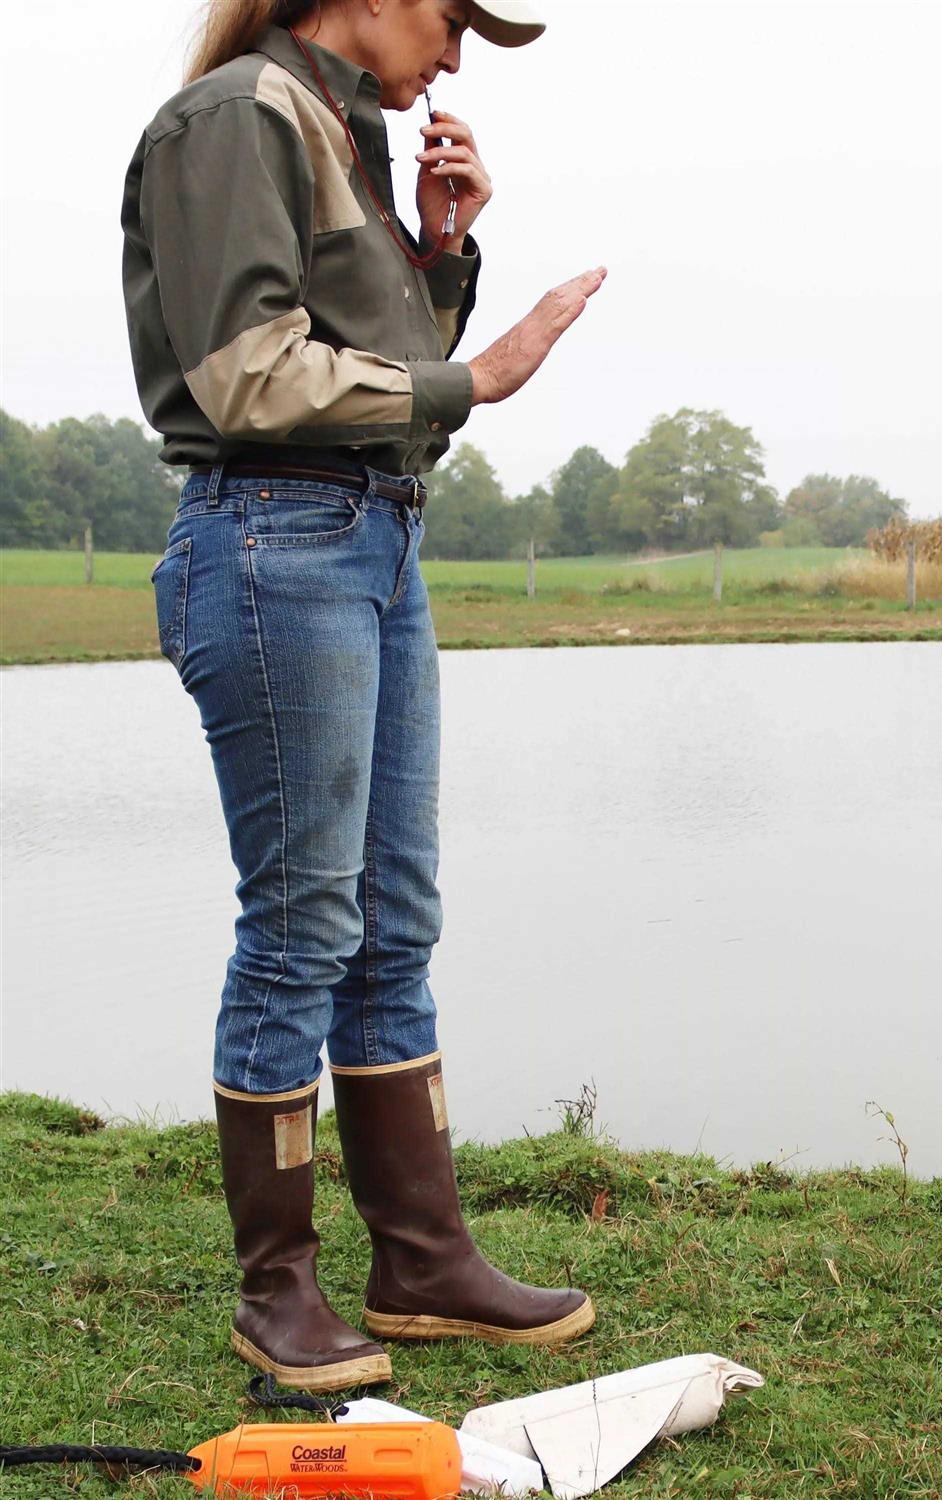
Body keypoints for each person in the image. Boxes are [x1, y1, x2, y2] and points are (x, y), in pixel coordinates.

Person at [121, 0, 606, 1390]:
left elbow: (376, 376)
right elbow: (247, 375)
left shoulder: (349, 133)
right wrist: (479, 372)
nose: (454, 56)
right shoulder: (238, 116)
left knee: (393, 921)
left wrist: (438, 255)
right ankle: (277, 1292)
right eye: (452, 19)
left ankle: (422, 1261)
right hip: (275, 538)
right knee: (301, 926)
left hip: (374, 534)